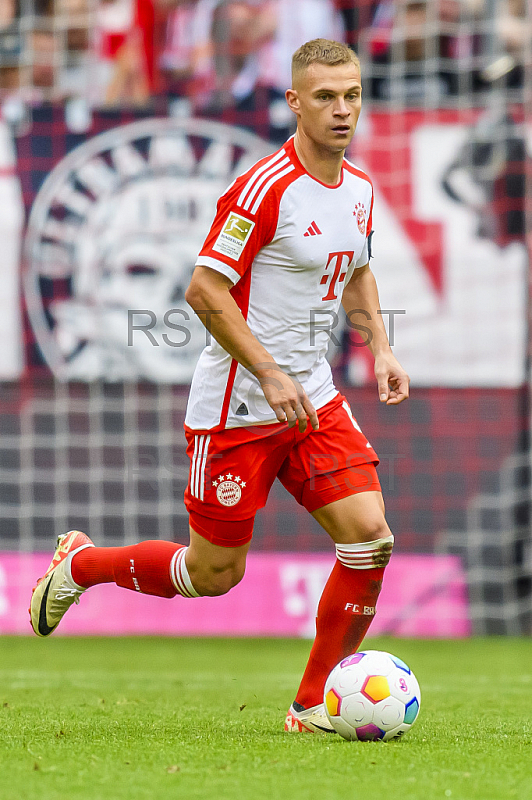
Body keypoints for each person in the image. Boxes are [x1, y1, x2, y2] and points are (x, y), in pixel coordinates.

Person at [30, 38, 410, 734]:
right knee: (213, 574)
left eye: (352, 94)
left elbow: (356, 269)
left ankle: (312, 706)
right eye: (325, 96)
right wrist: (266, 371)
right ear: (294, 101)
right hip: (238, 404)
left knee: (370, 540)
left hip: (313, 396)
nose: (342, 109)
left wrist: (380, 345)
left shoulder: (359, 188)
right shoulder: (263, 187)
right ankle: (82, 565)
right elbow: (204, 289)